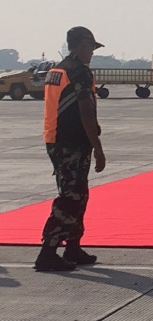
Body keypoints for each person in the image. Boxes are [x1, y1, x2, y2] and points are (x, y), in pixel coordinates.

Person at [34, 27, 106, 272]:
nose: (92, 53)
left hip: (56, 139)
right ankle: (48, 252)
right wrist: (98, 147)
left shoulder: (57, 69)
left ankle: (73, 246)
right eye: (90, 47)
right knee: (70, 197)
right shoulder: (78, 72)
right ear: (77, 46)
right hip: (71, 143)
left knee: (79, 194)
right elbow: (85, 110)